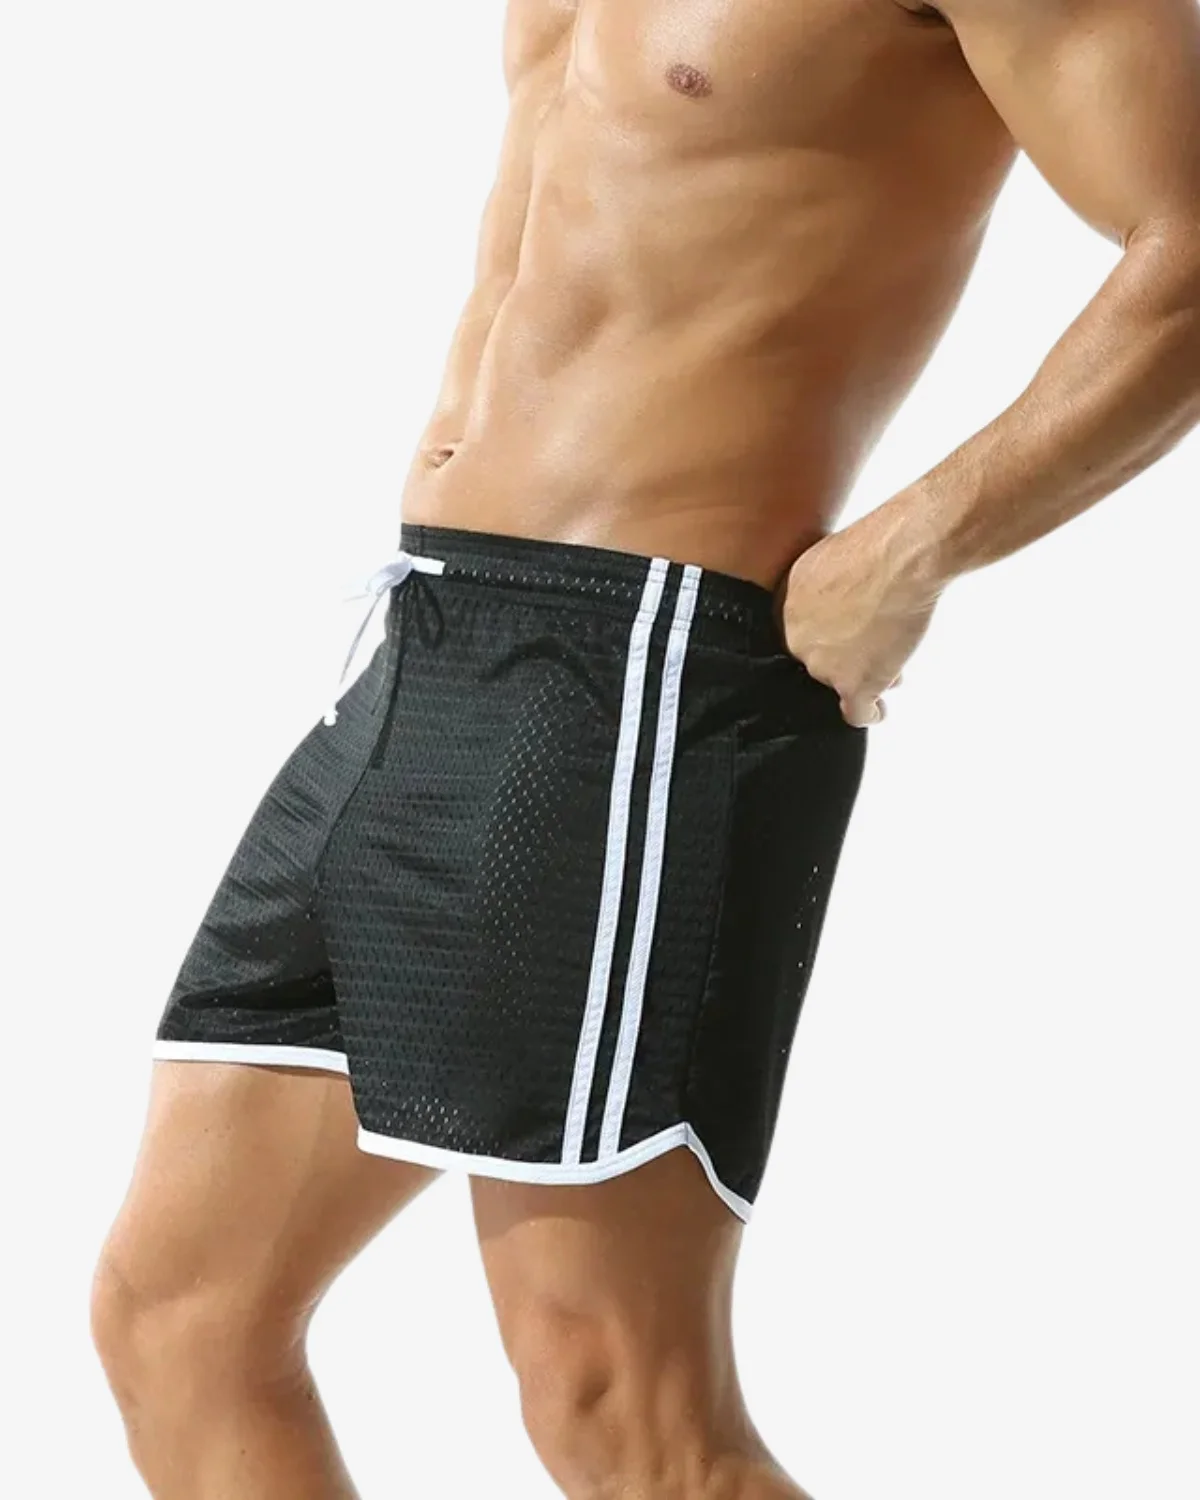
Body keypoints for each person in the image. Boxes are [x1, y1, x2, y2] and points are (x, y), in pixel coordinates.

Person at [91, 2, 1200, 1496]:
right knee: (182, 1319)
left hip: (647, 670)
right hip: (430, 633)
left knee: (620, 1407)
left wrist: (916, 546)